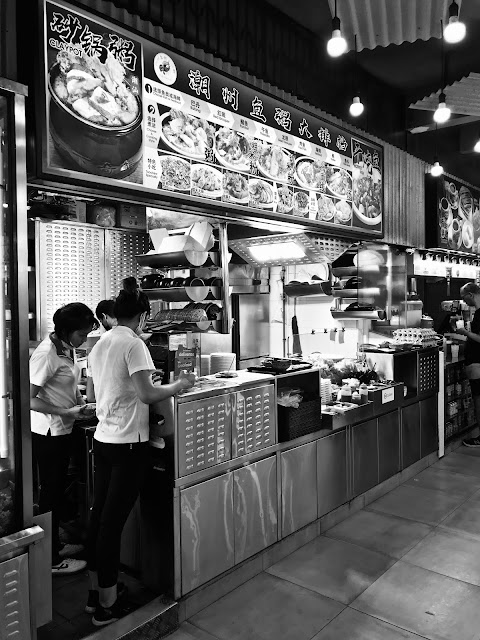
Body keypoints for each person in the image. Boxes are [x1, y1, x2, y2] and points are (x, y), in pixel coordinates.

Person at [86, 277, 195, 626]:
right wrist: (181, 384)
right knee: (111, 525)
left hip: (103, 440)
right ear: (144, 316)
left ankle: (96, 593)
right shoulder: (134, 345)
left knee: (100, 518)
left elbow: (93, 391)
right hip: (128, 445)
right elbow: (148, 394)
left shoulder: (101, 342)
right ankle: (107, 606)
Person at [30, 303, 99, 575]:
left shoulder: (65, 348)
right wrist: (66, 411)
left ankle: (55, 545)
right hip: (48, 432)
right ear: (68, 331)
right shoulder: (46, 355)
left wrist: (81, 404)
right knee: (51, 492)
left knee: (58, 490)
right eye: (82, 335)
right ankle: (50, 560)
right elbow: (29, 399)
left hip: (64, 428)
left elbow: (67, 386)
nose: (84, 340)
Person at [457, 282, 480, 447]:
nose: (463, 301)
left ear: (470, 295)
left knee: (479, 401)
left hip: (478, 364)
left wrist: (465, 332)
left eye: (463, 297)